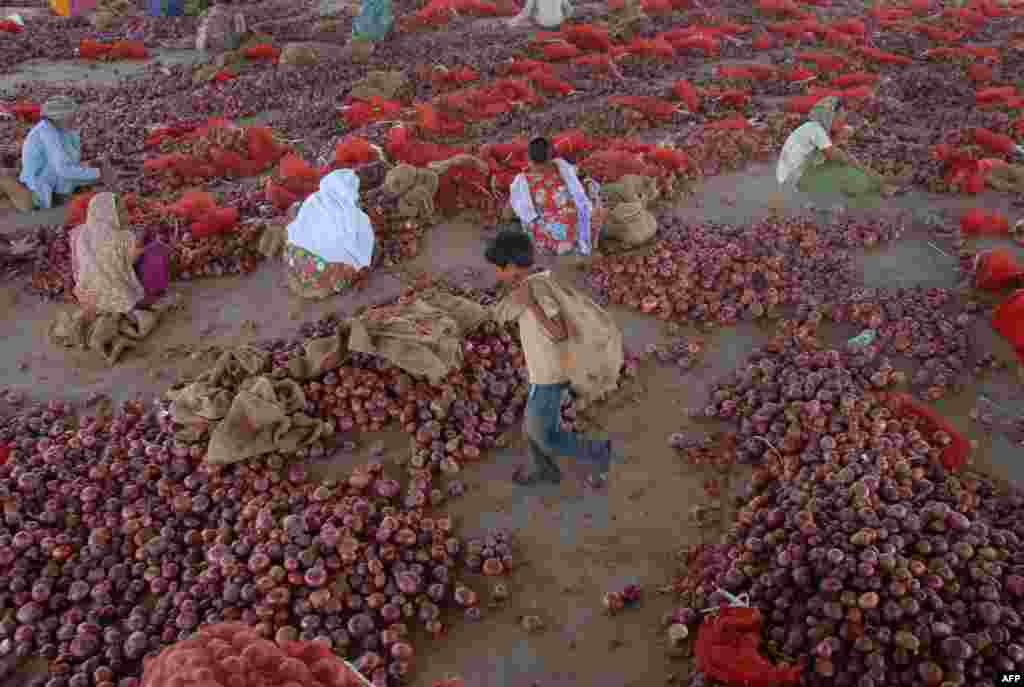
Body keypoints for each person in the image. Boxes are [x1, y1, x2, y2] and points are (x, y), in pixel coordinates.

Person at [486, 229, 617, 487]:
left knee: (541, 433)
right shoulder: (531, 283)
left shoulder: (537, 292)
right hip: (542, 371)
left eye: (497, 269)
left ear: (512, 267)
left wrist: (531, 305)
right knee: (540, 429)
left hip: (549, 375)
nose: (495, 274)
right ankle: (544, 469)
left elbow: (559, 333)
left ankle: (597, 451)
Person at [776, 96, 898, 206]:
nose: (842, 121)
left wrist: (840, 139)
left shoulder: (812, 128)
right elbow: (841, 157)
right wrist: (875, 177)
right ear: (828, 117)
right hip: (797, 180)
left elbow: (828, 153)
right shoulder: (816, 131)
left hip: (795, 176)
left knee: (850, 172)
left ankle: (880, 186)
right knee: (855, 178)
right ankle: (879, 190)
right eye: (839, 117)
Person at [71, 193, 170, 315]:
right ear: (110, 215)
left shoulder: (81, 233)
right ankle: (151, 294)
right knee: (156, 250)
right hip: (123, 296)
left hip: (89, 297)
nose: (126, 215)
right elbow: (130, 261)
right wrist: (142, 244)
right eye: (122, 212)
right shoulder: (122, 236)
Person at [284, 169, 376, 300]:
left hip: (294, 263)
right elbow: (362, 252)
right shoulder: (351, 215)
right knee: (352, 262)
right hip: (319, 275)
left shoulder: (313, 200)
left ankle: (305, 278)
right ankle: (324, 284)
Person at [509, 137, 606, 257]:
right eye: (539, 165)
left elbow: (583, 178)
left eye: (545, 164)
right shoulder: (521, 181)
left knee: (595, 214)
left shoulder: (561, 166)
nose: (543, 168)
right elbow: (526, 214)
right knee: (563, 231)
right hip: (548, 223)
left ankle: (584, 246)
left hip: (576, 214)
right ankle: (579, 249)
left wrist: (594, 200)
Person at [17, 96, 113, 211]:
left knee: (95, 172)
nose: (75, 119)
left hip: (54, 172)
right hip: (41, 180)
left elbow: (71, 158)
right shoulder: (47, 133)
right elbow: (63, 168)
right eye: (71, 117)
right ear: (58, 117)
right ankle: (59, 199)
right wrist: (99, 173)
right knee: (96, 176)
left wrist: (93, 165)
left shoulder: (62, 129)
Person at [507, 0, 571, 28]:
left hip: (542, 24)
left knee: (532, 11)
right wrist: (565, 18)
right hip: (558, 23)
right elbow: (569, 9)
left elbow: (526, 13)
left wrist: (512, 22)